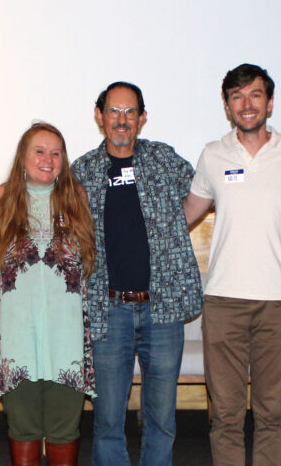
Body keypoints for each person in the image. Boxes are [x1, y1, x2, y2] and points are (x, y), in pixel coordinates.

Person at [183, 64, 281, 466]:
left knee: (272, 413)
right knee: (225, 415)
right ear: (227, 106)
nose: (247, 104)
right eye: (237, 96)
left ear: (269, 102)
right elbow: (184, 214)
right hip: (223, 303)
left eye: (255, 94)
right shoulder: (213, 154)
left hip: (278, 303)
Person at [72, 82, 203, 466]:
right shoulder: (82, 170)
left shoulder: (164, 159)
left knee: (161, 417)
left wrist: (175, 226)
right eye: (114, 111)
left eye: (130, 112)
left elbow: (207, 190)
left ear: (142, 118)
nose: (122, 120)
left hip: (162, 310)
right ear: (99, 116)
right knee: (109, 418)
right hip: (108, 310)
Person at [0, 122, 96, 466]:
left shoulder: (78, 199)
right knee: (23, 428)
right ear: (23, 157)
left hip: (66, 340)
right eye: (40, 151)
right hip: (17, 340)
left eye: (56, 153)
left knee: (64, 430)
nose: (48, 159)